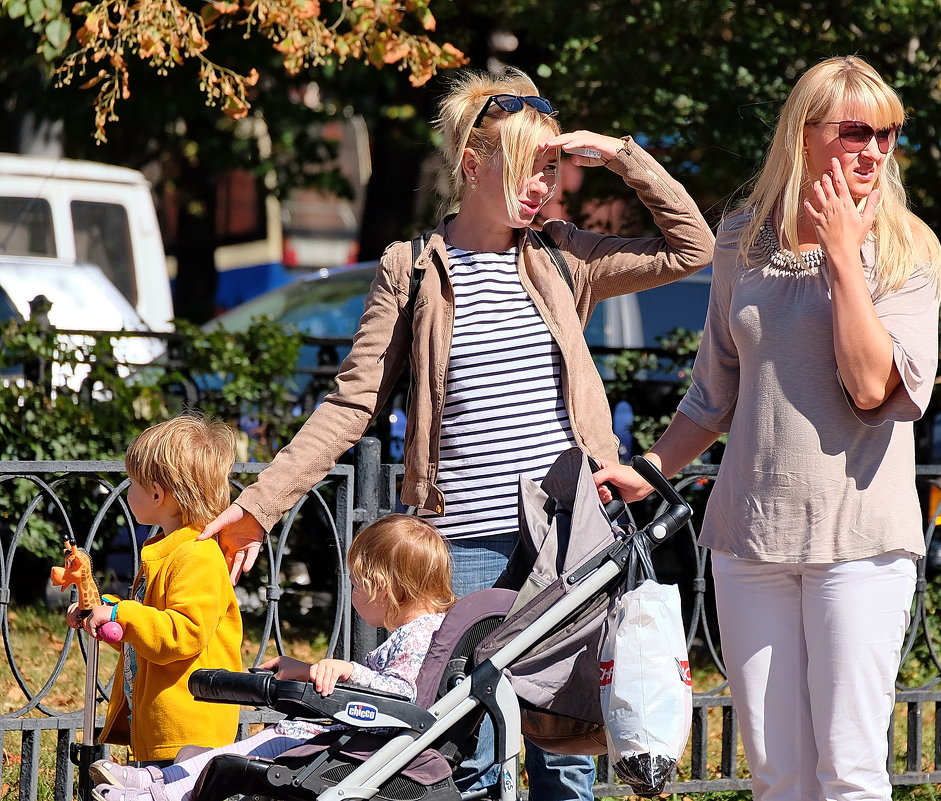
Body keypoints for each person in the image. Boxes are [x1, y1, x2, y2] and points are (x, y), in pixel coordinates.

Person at [200, 66, 715, 799]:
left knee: (560, 748)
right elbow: (352, 403)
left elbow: (692, 249)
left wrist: (622, 154)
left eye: (551, 167)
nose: (544, 186)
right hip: (459, 549)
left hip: (563, 545)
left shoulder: (565, 256)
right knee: (450, 746)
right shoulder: (411, 268)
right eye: (526, 167)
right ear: (473, 164)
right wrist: (259, 506)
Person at [594, 55, 941, 801]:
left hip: (860, 543)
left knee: (848, 770)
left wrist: (845, 257)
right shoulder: (743, 235)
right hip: (750, 536)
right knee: (776, 774)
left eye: (887, 133)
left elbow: (869, 384)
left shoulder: (908, 249)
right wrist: (650, 466)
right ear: (805, 132)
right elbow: (713, 390)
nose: (875, 150)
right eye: (857, 131)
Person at [91, 514, 456, 801]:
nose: (354, 593)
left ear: (385, 587)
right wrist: (308, 671)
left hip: (353, 744)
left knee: (258, 748)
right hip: (348, 736)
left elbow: (401, 696)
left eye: (358, 584)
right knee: (257, 744)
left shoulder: (419, 634)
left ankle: (162, 789)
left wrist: (348, 672)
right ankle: (157, 780)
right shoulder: (427, 631)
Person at [66, 413, 242, 768]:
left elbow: (182, 634)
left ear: (157, 493)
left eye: (132, 482)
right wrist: (103, 613)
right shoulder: (166, 550)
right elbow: (149, 629)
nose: (128, 490)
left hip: (189, 731)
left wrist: (121, 615)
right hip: (162, 724)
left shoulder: (197, 554)